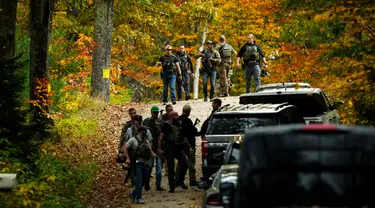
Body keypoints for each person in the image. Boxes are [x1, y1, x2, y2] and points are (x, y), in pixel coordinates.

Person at [158, 111, 192, 193]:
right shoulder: (166, 125)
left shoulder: (179, 124)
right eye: (176, 116)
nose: (177, 117)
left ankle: (180, 181)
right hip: (170, 148)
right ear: (171, 117)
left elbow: (183, 137)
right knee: (171, 167)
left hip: (179, 148)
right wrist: (159, 148)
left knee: (185, 164)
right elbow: (161, 137)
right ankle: (171, 186)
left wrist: (189, 146)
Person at [124, 126, 156, 204]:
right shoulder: (133, 139)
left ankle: (133, 193)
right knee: (139, 180)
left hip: (145, 163)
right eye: (144, 131)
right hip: (137, 163)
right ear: (140, 131)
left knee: (145, 180)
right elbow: (125, 147)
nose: (145, 133)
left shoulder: (146, 141)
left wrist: (154, 155)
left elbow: (150, 150)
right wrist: (127, 158)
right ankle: (139, 197)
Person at [176, 104, 199, 186]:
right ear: (189, 111)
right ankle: (192, 180)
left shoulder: (178, 120)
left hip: (180, 145)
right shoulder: (188, 121)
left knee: (180, 162)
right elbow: (193, 132)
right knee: (191, 162)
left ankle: (177, 179)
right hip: (189, 145)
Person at [143, 106, 165, 191]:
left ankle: (158, 185)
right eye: (154, 112)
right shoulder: (146, 121)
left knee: (159, 169)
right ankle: (147, 184)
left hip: (158, 148)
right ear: (151, 112)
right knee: (149, 167)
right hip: (150, 148)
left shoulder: (161, 122)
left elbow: (164, 135)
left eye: (157, 112)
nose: (155, 114)